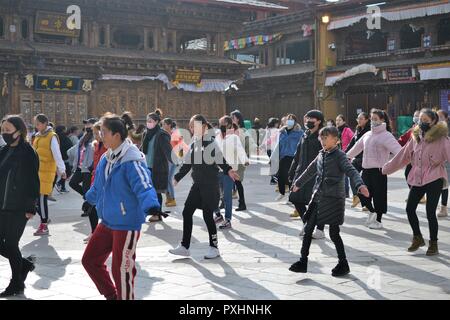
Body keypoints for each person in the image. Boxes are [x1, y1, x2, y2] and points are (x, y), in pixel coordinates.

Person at [82, 114, 160, 300]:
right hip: (108, 220)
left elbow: (144, 185)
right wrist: (89, 199)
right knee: (90, 259)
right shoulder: (106, 158)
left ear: (117, 135)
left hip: (126, 223)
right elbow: (99, 185)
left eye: (104, 132)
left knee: (121, 269)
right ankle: (112, 296)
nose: (101, 136)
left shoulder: (131, 160)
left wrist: (151, 205)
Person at [289, 126, 369, 276]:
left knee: (334, 233)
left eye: (327, 138)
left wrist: (360, 184)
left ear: (336, 140)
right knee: (308, 230)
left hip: (333, 200)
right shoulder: (321, 155)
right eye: (322, 138)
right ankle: (303, 261)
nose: (323, 141)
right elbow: (309, 171)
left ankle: (343, 263)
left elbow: (351, 171)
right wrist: (297, 184)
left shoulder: (340, 156)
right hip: (318, 198)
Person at [169, 114, 240, 259]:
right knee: (187, 212)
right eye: (190, 126)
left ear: (204, 127)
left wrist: (229, 170)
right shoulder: (195, 144)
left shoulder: (210, 143)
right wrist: (177, 177)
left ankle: (214, 248)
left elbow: (220, 159)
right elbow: (188, 163)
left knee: (208, 216)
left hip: (210, 185)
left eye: (194, 126)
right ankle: (184, 246)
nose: (192, 129)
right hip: (197, 185)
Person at [383, 109, 450, 255]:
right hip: (418, 178)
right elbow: (403, 156)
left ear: (433, 122)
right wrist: (387, 168)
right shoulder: (415, 137)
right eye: (420, 119)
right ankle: (418, 237)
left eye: (425, 120)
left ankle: (433, 243)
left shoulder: (442, 139)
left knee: (430, 212)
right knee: (409, 208)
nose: (422, 122)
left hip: (434, 178)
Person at [0, 115, 39, 297]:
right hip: (2, 205)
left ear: (19, 131)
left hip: (18, 207)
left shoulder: (28, 152)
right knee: (3, 245)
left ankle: (16, 284)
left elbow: (33, 181)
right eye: (3, 130)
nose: (4, 134)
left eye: (8, 130)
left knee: (11, 243)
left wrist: (31, 206)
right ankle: (23, 265)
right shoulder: (3, 150)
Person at [347, 109, 401, 229]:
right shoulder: (367, 134)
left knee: (379, 196)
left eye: (375, 119)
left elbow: (399, 152)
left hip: (379, 171)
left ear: (382, 120)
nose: (373, 121)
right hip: (366, 170)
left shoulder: (387, 136)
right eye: (371, 119)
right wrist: (345, 157)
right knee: (361, 192)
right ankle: (372, 211)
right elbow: (356, 148)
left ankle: (378, 220)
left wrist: (390, 166)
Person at [288, 110, 324, 239]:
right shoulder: (305, 134)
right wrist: (291, 172)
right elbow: (297, 156)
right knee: (295, 198)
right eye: (307, 118)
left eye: (311, 118)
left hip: (316, 174)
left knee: (315, 202)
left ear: (318, 121)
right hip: (301, 172)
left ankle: (320, 230)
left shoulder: (322, 136)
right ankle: (307, 222)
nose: (308, 120)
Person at [32, 114, 66, 236]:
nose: (36, 127)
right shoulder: (37, 136)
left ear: (45, 123)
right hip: (36, 172)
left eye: (38, 124)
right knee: (34, 200)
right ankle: (44, 217)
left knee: (41, 199)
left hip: (46, 173)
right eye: (35, 124)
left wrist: (62, 170)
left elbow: (57, 155)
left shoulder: (52, 137)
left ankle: (44, 225)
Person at [214, 115, 249, 229]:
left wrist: (245, 160)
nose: (220, 125)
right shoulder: (216, 137)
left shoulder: (234, 137)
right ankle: (218, 215)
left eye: (222, 123)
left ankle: (228, 219)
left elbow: (240, 149)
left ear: (228, 124)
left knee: (227, 195)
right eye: (220, 123)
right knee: (215, 195)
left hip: (229, 170)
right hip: (217, 169)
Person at [141, 110, 173, 222]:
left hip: (157, 167)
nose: (148, 123)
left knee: (156, 192)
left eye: (150, 121)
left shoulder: (162, 134)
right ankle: (152, 212)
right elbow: (142, 149)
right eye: (147, 121)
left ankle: (157, 214)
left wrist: (174, 159)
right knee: (149, 191)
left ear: (156, 122)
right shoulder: (146, 134)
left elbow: (168, 151)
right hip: (146, 167)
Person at [83, 121, 108, 244]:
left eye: (97, 132)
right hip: (95, 181)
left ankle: (99, 234)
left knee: (98, 209)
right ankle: (94, 233)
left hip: (105, 183)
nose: (95, 135)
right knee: (91, 208)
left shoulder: (108, 147)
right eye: (94, 133)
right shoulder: (97, 145)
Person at [69, 118, 96, 217]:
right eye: (86, 124)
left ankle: (88, 209)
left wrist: (92, 165)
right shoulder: (84, 137)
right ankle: (89, 199)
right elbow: (76, 149)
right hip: (80, 167)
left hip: (88, 168)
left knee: (86, 190)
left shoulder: (95, 137)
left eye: (89, 124)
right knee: (72, 183)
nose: (87, 126)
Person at [272, 114, 303, 201]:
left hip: (293, 157)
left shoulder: (299, 132)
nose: (289, 121)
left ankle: (291, 195)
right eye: (288, 119)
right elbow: (278, 144)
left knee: (290, 176)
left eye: (292, 120)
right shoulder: (282, 132)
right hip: (283, 156)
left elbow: (302, 145)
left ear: (295, 122)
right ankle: (282, 192)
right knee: (280, 175)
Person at [345, 112, 371, 208]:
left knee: (366, 181)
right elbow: (352, 143)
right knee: (352, 175)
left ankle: (367, 203)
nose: (359, 120)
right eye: (358, 118)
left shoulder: (370, 131)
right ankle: (356, 196)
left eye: (361, 119)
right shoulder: (358, 129)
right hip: (357, 158)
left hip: (367, 158)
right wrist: (345, 154)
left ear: (366, 120)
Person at [230, 110, 251, 211]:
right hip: (232, 160)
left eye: (232, 117)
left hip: (239, 160)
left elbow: (246, 146)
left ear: (237, 119)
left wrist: (245, 159)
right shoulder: (233, 129)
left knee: (237, 182)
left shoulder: (242, 130)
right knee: (232, 182)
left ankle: (242, 204)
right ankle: (226, 201)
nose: (231, 119)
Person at [336, 114, 354, 198]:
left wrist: (348, 149)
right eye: (337, 120)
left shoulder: (347, 130)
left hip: (346, 154)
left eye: (339, 120)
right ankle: (342, 192)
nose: (338, 122)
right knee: (340, 174)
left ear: (344, 121)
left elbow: (353, 139)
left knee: (346, 175)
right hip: (337, 155)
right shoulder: (336, 131)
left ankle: (346, 192)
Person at [162, 118, 178, 207]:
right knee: (166, 179)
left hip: (172, 160)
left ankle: (172, 199)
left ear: (168, 125)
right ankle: (169, 198)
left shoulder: (174, 134)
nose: (163, 126)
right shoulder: (165, 134)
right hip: (167, 160)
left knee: (168, 178)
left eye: (164, 124)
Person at [437, 110, 450, 217]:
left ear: (446, 118)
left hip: (447, 161)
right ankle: (443, 208)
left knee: (444, 184)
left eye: (441, 117)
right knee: (443, 185)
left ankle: (443, 208)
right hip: (439, 161)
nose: (438, 119)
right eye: (437, 117)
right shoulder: (434, 130)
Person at [54, 125, 73, 193]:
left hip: (59, 157)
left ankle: (62, 185)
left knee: (64, 172)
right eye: (65, 129)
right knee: (67, 171)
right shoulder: (63, 137)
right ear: (63, 130)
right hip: (64, 157)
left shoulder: (55, 136)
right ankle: (60, 183)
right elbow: (69, 145)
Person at [263, 117, 280, 185]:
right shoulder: (276, 130)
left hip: (268, 149)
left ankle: (273, 179)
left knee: (272, 164)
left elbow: (265, 139)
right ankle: (274, 179)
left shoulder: (267, 130)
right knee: (275, 164)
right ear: (275, 123)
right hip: (274, 148)